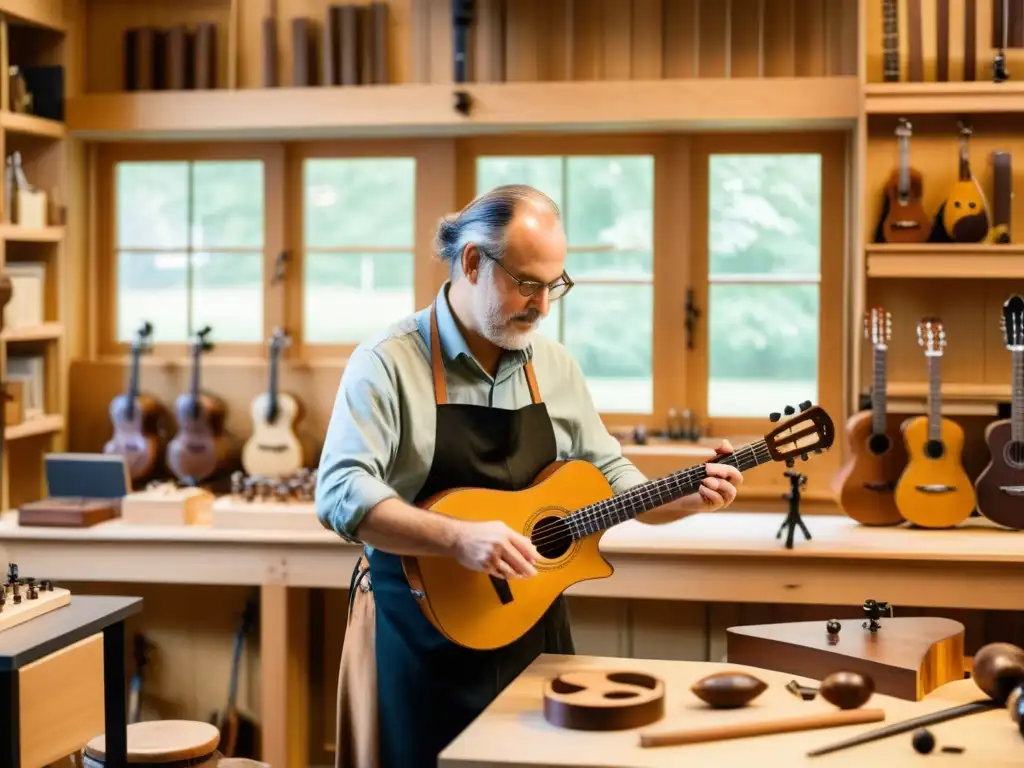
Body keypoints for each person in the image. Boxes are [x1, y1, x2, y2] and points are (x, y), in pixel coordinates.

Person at [316, 184, 743, 768]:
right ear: (472, 262)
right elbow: (341, 495)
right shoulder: (387, 362)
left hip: (532, 631)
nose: (543, 306)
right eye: (527, 284)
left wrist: (686, 496)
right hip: (417, 636)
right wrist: (461, 538)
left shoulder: (555, 365)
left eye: (555, 286)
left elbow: (612, 477)